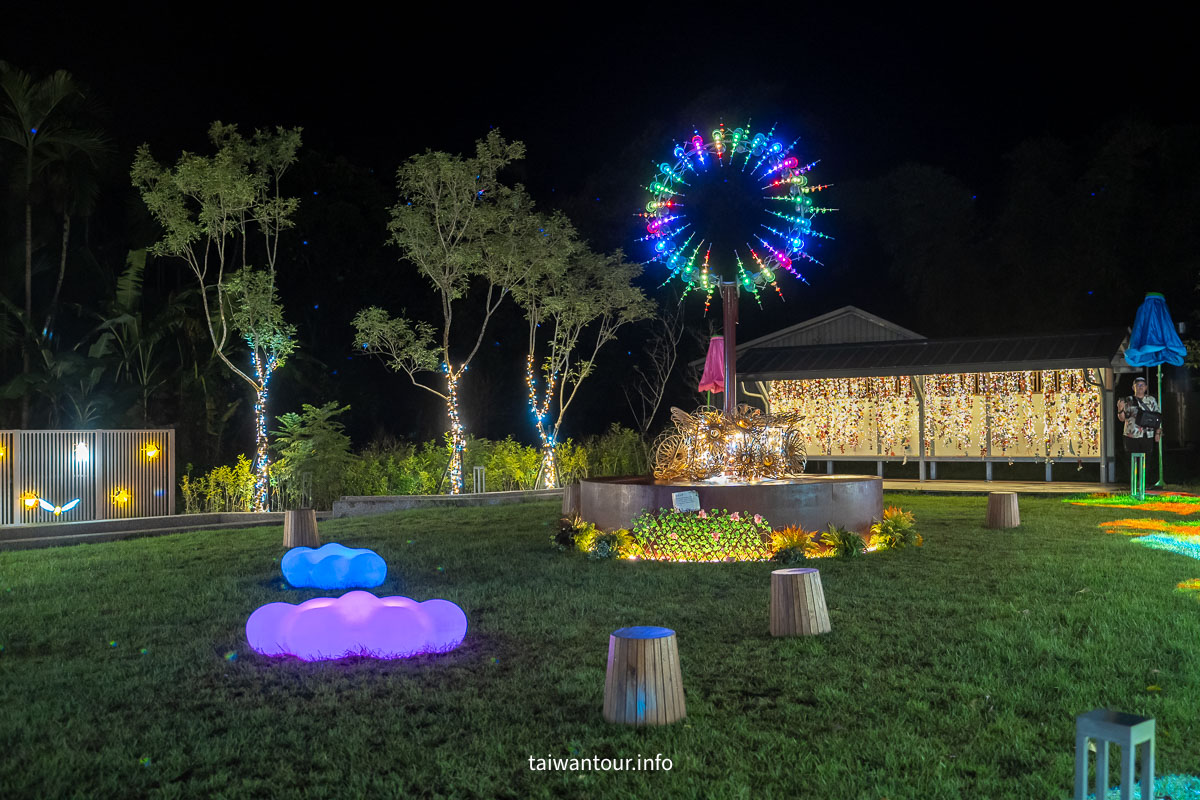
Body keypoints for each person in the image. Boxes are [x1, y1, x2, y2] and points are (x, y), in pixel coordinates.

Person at [1116, 376, 1162, 457]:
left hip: (1147, 435)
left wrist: (1158, 433)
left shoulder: (1151, 400)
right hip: (1131, 435)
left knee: (1146, 461)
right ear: (1133, 387)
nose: (1140, 387)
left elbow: (1158, 417)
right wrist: (1120, 409)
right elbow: (1122, 419)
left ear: (1146, 387)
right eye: (1138, 385)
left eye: (1142, 385)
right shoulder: (1128, 400)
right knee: (1132, 461)